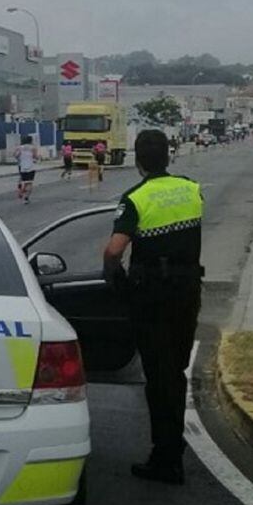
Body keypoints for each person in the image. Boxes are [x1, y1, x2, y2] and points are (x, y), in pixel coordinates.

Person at [102, 130, 204, 485]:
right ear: (169, 156)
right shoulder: (191, 189)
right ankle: (172, 448)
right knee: (174, 372)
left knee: (158, 378)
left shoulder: (135, 198)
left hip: (153, 298)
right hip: (188, 292)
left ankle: (166, 457)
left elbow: (115, 250)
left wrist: (112, 277)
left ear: (138, 160)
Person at [14, 135, 40, 204]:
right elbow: (35, 157)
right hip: (31, 167)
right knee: (30, 183)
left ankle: (21, 192)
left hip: (23, 167)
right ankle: (26, 198)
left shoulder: (20, 148)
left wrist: (20, 159)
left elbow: (16, 156)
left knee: (25, 182)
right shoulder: (33, 148)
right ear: (31, 141)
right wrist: (38, 157)